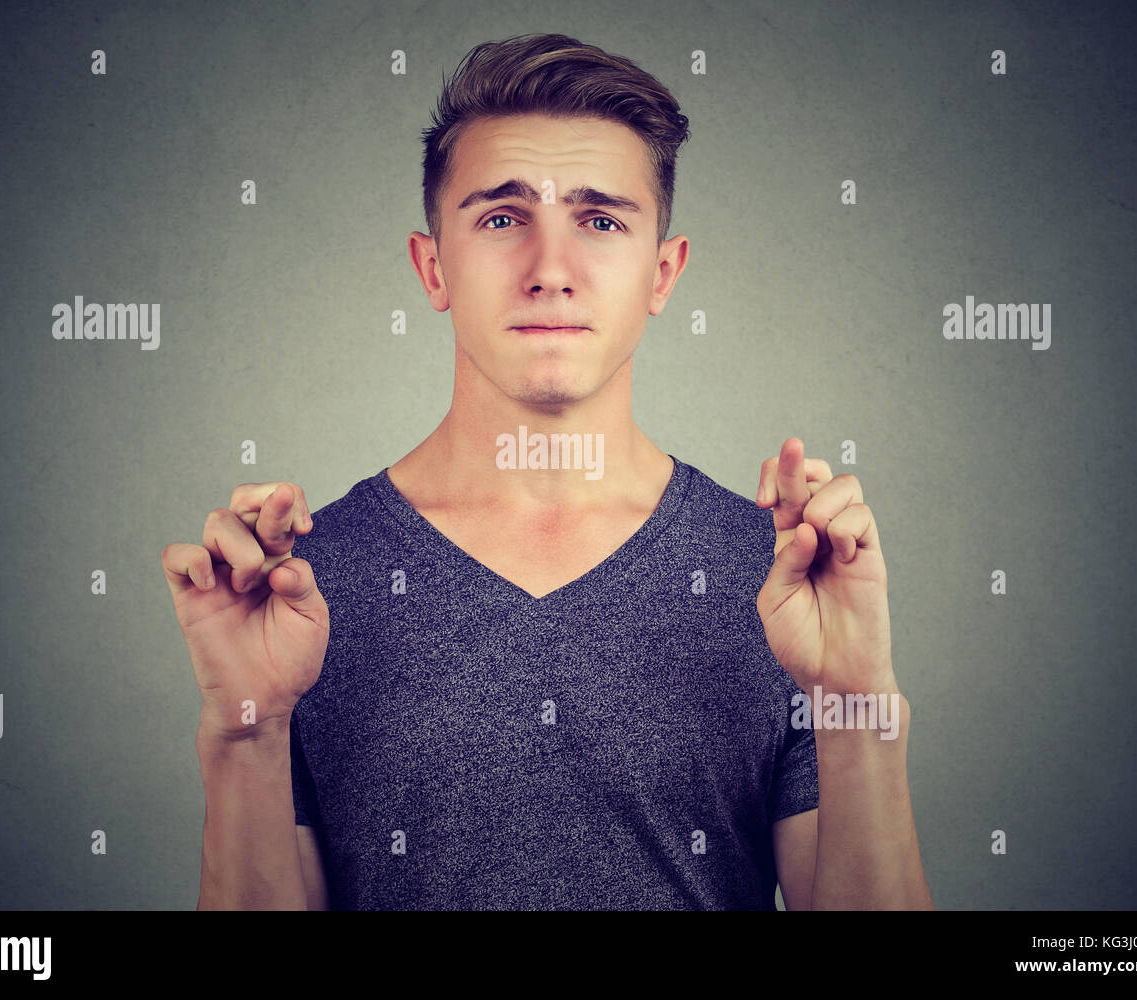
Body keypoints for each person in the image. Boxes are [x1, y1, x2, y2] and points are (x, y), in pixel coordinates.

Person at [161, 33, 932, 910]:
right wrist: (242, 734)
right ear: (432, 265)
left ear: (663, 272)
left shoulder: (786, 585)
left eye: (601, 222)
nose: (551, 271)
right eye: (502, 217)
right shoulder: (298, 592)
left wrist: (858, 702)